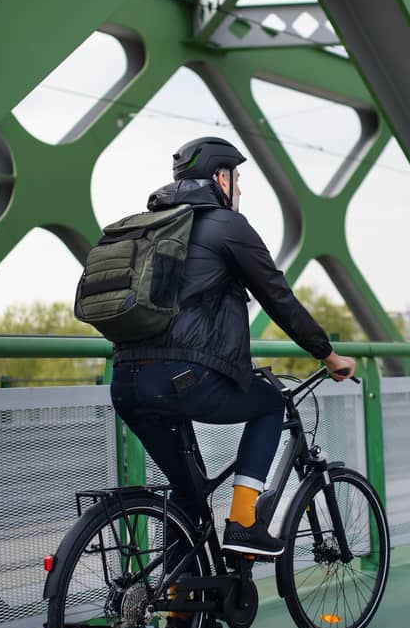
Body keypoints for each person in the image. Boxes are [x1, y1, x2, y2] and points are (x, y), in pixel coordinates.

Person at [109, 136, 357, 566]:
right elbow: (279, 298)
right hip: (182, 378)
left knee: (187, 497)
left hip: (126, 382)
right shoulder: (228, 226)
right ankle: (244, 522)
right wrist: (328, 355)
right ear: (221, 178)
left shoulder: (152, 228)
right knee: (268, 402)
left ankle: (184, 618)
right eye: (238, 180)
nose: (239, 191)